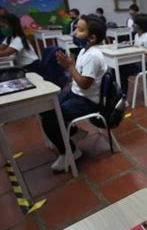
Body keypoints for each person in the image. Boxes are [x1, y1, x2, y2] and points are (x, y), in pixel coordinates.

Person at [41, 15, 107, 172]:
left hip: (87, 101)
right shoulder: (85, 51)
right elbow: (77, 78)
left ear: (91, 37)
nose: (75, 32)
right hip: (75, 92)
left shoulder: (93, 56)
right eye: (76, 28)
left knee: (50, 118)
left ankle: (70, 151)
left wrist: (69, 66)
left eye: (80, 29)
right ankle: (74, 131)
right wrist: (67, 67)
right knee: (45, 106)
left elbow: (84, 84)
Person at [119, 13, 147, 95]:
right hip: (136, 62)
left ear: (141, 25)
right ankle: (122, 94)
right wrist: (129, 45)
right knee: (119, 68)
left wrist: (142, 52)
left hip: (145, 64)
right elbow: (137, 47)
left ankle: (123, 96)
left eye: (135, 23)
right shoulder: (137, 35)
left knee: (122, 72)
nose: (133, 25)